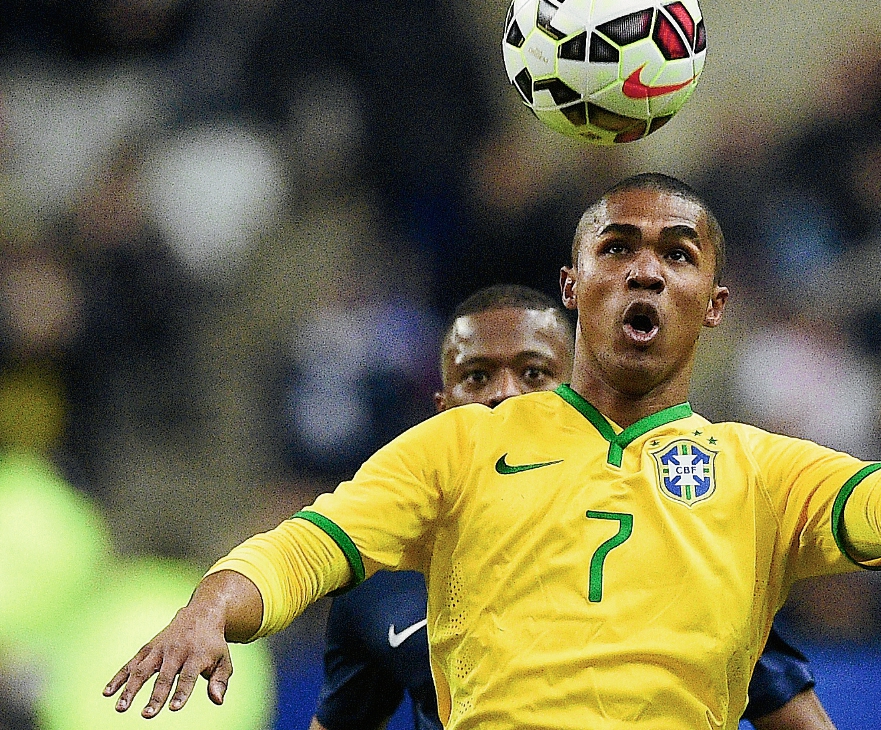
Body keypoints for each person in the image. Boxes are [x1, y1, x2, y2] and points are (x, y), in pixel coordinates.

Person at [104, 173, 881, 730]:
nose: (645, 270)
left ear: (716, 303)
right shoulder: (462, 445)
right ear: (574, 287)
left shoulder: (760, 472)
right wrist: (213, 604)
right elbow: (310, 544)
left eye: (676, 254)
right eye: (618, 248)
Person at [310, 284, 835, 730]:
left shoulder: (672, 549)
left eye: (535, 375)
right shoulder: (379, 579)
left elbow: (795, 716)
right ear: (442, 407)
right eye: (477, 378)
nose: (505, 397)